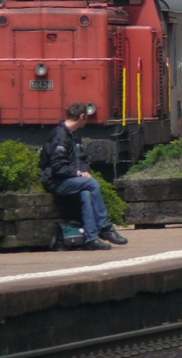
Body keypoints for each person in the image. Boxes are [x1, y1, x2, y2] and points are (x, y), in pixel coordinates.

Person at [39, 102, 128, 250]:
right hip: (55, 181)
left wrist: (84, 171)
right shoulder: (60, 136)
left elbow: (82, 159)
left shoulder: (74, 136)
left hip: (68, 179)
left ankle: (91, 239)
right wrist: (78, 174)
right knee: (92, 184)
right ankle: (105, 228)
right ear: (82, 116)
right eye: (86, 118)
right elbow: (58, 167)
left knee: (86, 192)